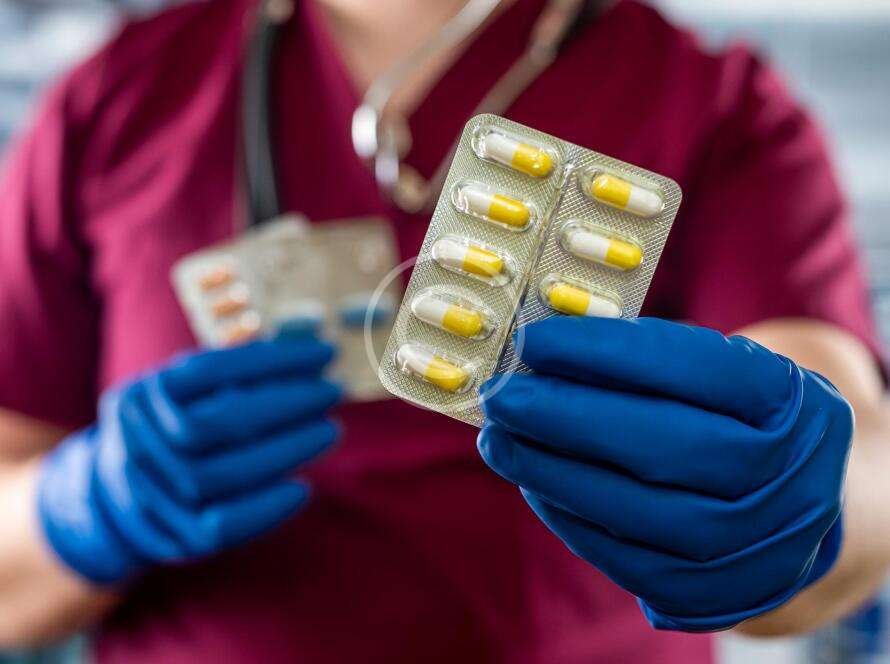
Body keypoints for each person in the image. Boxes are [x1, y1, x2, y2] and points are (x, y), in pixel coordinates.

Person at [0, 0, 887, 661]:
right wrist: (82, 507)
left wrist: (802, 508)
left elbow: (859, 447)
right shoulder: (114, 103)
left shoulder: (717, 104)